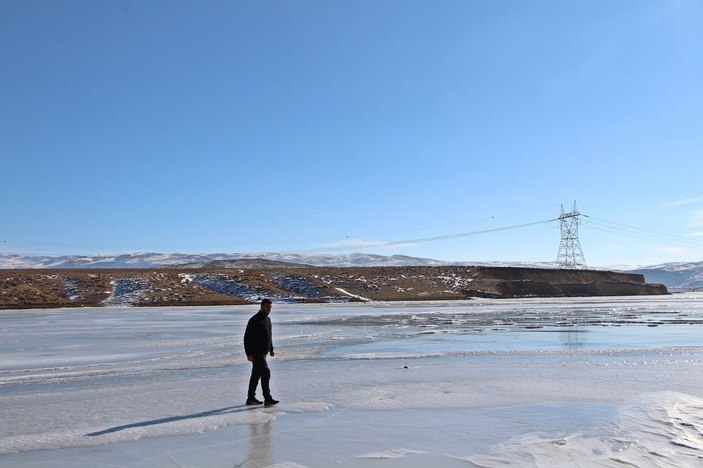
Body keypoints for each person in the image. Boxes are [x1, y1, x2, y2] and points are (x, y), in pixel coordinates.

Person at [243, 298, 278, 406]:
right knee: (266, 373)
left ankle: (251, 398)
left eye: (270, 307)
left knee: (256, 374)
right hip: (256, 353)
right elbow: (247, 338)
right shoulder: (254, 320)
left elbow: (269, 336)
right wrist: (249, 354)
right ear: (261, 306)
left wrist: (271, 349)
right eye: (267, 306)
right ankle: (267, 398)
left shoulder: (268, 320)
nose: (269, 309)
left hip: (264, 352)